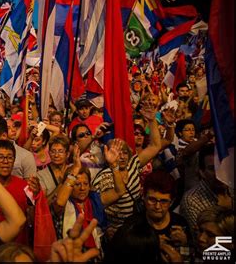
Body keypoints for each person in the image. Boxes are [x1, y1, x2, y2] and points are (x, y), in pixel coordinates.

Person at [92, 101, 162, 234]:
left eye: (125, 152)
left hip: (138, 227)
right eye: (117, 153)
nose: (122, 157)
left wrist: (152, 121)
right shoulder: (102, 178)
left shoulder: (133, 164)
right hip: (117, 233)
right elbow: (97, 208)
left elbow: (155, 146)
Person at [52, 140, 125, 256]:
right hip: (69, 255)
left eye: (85, 184)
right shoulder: (64, 202)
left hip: (96, 254)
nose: (82, 188)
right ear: (70, 186)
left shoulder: (94, 200)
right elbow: (59, 203)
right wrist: (75, 170)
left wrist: (114, 165)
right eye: (77, 184)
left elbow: (120, 191)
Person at [180, 145, 233, 242]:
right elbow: (202, 242)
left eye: (223, 165)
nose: (219, 173)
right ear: (202, 172)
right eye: (212, 168)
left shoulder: (233, 189)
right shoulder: (192, 200)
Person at [139, 170, 192, 261]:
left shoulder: (180, 223)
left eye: (164, 201)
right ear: (143, 197)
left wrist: (184, 244)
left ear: (172, 202)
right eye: (152, 199)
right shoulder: (134, 225)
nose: (157, 206)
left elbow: (188, 259)